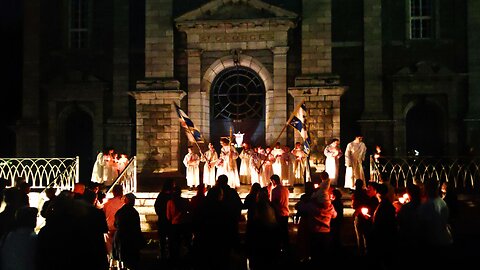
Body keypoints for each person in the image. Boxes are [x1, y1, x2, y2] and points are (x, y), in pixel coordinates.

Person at [113, 193, 146, 270]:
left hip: (121, 238)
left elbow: (116, 224)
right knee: (132, 262)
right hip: (131, 239)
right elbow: (137, 227)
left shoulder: (120, 212)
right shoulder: (134, 212)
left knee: (123, 260)